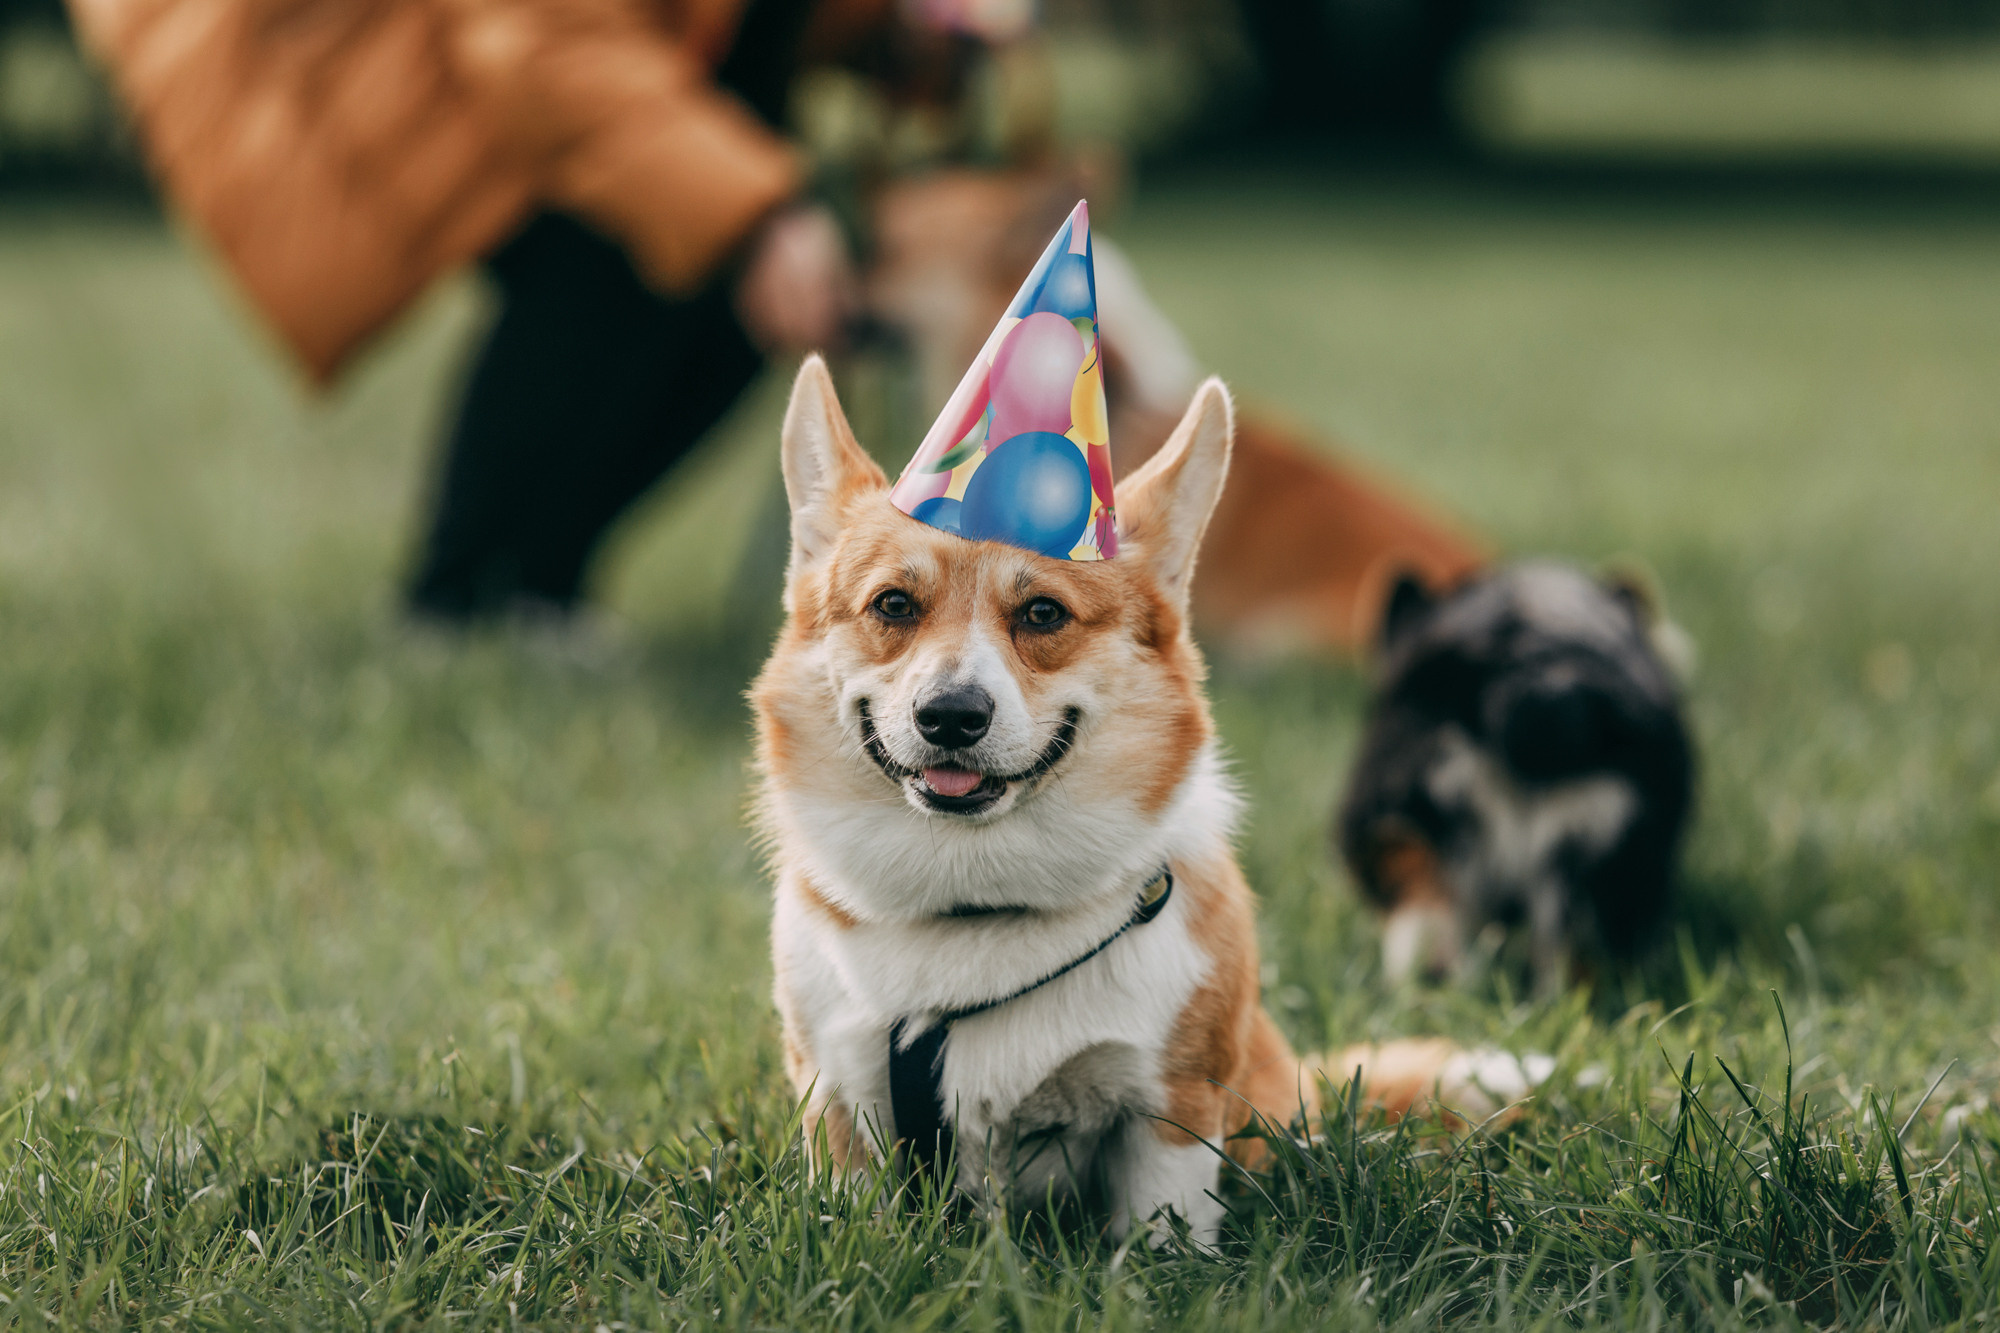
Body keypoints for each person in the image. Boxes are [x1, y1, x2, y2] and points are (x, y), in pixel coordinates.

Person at [66, 0, 982, 623]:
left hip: (553, 62)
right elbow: (545, 50)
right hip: (359, 55)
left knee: (713, 265)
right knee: (622, 238)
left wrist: (904, 33)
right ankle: (461, 594)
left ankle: (532, 586)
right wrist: (754, 215)